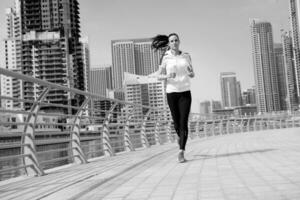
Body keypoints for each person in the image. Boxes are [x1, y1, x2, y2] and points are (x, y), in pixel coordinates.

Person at [150, 33, 195, 163]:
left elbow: (192, 74)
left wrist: (191, 73)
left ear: (179, 42)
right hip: (172, 93)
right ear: (169, 44)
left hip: (185, 92)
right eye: (171, 41)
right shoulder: (165, 57)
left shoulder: (186, 56)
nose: (174, 42)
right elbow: (159, 76)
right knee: (176, 123)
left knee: (183, 122)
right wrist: (168, 75)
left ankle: (181, 151)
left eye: (176, 40)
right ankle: (180, 138)